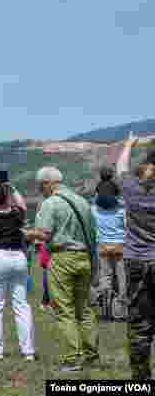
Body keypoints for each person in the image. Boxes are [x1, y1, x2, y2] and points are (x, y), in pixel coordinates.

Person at [25, 166, 98, 373]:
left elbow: (43, 234)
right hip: (84, 256)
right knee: (84, 308)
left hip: (62, 257)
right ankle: (91, 352)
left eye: (41, 186)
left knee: (64, 308)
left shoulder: (51, 203)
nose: (40, 190)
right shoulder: (82, 201)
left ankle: (72, 357)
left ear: (48, 183)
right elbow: (93, 232)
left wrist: (27, 234)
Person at [0, 182, 35, 362]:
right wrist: (14, 189)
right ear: (7, 197)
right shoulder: (16, 215)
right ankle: (28, 351)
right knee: (21, 304)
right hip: (18, 256)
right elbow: (23, 206)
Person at [116, 133, 155, 379]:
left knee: (140, 325)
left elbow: (121, 168)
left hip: (137, 263)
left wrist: (129, 145)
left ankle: (141, 379)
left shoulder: (132, 188)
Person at [92, 175, 126, 322]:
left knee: (105, 278)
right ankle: (119, 312)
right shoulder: (121, 209)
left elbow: (92, 228)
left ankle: (105, 309)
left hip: (102, 247)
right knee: (122, 279)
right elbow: (127, 227)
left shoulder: (93, 209)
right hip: (120, 246)